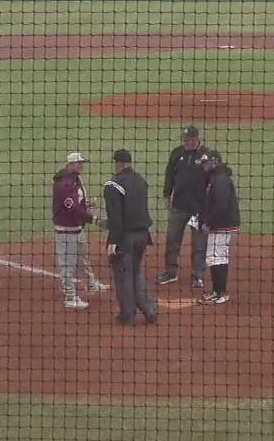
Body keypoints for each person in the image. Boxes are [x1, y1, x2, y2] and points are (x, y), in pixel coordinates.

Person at [157, 125, 217, 289]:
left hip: (199, 209)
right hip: (179, 205)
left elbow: (214, 179)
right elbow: (169, 175)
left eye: (190, 140)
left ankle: (197, 275)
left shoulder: (207, 154)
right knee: (172, 240)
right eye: (185, 140)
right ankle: (171, 272)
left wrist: (211, 203)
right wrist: (166, 194)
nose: (187, 143)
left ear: (197, 139)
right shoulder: (177, 153)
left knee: (199, 244)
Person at [103, 149, 157, 326]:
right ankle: (150, 309)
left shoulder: (113, 185)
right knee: (135, 272)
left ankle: (128, 314)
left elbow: (116, 217)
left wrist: (113, 241)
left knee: (123, 275)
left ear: (117, 163)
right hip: (143, 235)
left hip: (125, 237)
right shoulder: (140, 181)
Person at [51, 152, 107, 309]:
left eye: (82, 163)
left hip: (77, 227)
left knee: (84, 257)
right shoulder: (64, 184)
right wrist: (94, 219)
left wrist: (86, 203)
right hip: (66, 229)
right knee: (67, 264)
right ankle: (70, 297)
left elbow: (76, 202)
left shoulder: (75, 179)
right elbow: (72, 208)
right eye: (78, 163)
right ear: (70, 164)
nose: (82, 165)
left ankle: (91, 283)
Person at [195, 152, 240, 304]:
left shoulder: (220, 180)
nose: (203, 166)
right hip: (221, 224)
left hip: (222, 225)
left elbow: (221, 206)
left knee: (216, 257)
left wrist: (208, 223)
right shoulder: (216, 178)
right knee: (217, 257)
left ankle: (220, 293)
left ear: (214, 162)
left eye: (206, 163)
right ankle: (218, 292)